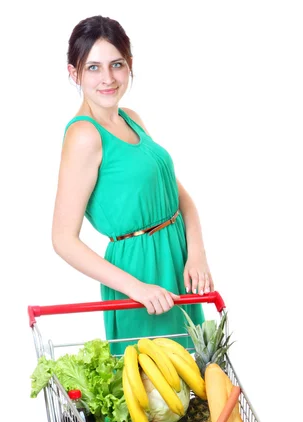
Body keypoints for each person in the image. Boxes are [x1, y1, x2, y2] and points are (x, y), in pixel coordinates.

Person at [52, 15, 214, 358]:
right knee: (154, 394)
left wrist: (196, 252)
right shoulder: (84, 136)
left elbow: (178, 194)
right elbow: (63, 239)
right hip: (140, 276)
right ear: (73, 73)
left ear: (130, 65)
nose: (108, 78)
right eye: (93, 67)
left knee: (192, 386)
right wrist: (135, 288)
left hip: (177, 260)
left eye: (116, 64)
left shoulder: (132, 118)